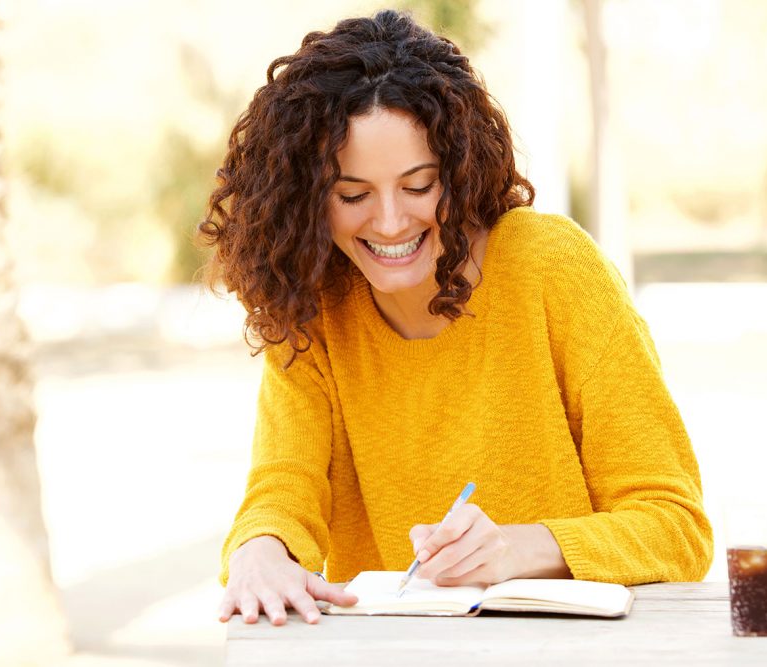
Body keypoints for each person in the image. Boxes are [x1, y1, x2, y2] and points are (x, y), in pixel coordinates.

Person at [204, 9, 713, 627]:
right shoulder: (314, 306)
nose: (390, 222)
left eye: (419, 186)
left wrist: (519, 550)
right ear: (308, 198)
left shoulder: (554, 269)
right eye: (353, 195)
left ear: (461, 170)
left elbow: (676, 528)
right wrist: (260, 552)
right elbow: (283, 491)